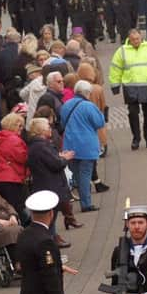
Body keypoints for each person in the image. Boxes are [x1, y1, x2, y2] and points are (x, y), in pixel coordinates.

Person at [17, 190, 78, 294]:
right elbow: (49, 275)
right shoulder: (45, 241)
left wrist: (58, 266)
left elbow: (30, 263)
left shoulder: (24, 234)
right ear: (51, 214)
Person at [109, 29, 147, 150]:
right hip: (131, 87)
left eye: (138, 39)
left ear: (141, 37)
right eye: (133, 40)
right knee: (133, 114)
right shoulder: (122, 51)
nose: (136, 41)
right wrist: (115, 85)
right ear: (129, 40)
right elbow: (115, 68)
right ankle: (136, 138)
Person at [28, 117, 79, 248]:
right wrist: (64, 159)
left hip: (47, 184)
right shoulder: (41, 146)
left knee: (51, 219)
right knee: (50, 219)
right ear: (41, 131)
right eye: (48, 127)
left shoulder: (38, 145)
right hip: (49, 185)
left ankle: (53, 240)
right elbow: (55, 164)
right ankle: (50, 245)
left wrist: (59, 157)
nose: (50, 129)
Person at [61, 81, 105, 212]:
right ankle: (86, 204)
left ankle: (80, 198)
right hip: (86, 145)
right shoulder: (88, 106)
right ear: (86, 93)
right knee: (85, 174)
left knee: (77, 174)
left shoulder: (66, 105)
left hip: (69, 144)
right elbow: (99, 122)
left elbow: (63, 123)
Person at [0, 113, 29, 223]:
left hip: (2, 177)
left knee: (11, 208)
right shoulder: (14, 140)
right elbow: (23, 157)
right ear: (12, 126)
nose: (21, 129)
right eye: (19, 126)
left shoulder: (2, 137)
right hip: (12, 178)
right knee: (17, 209)